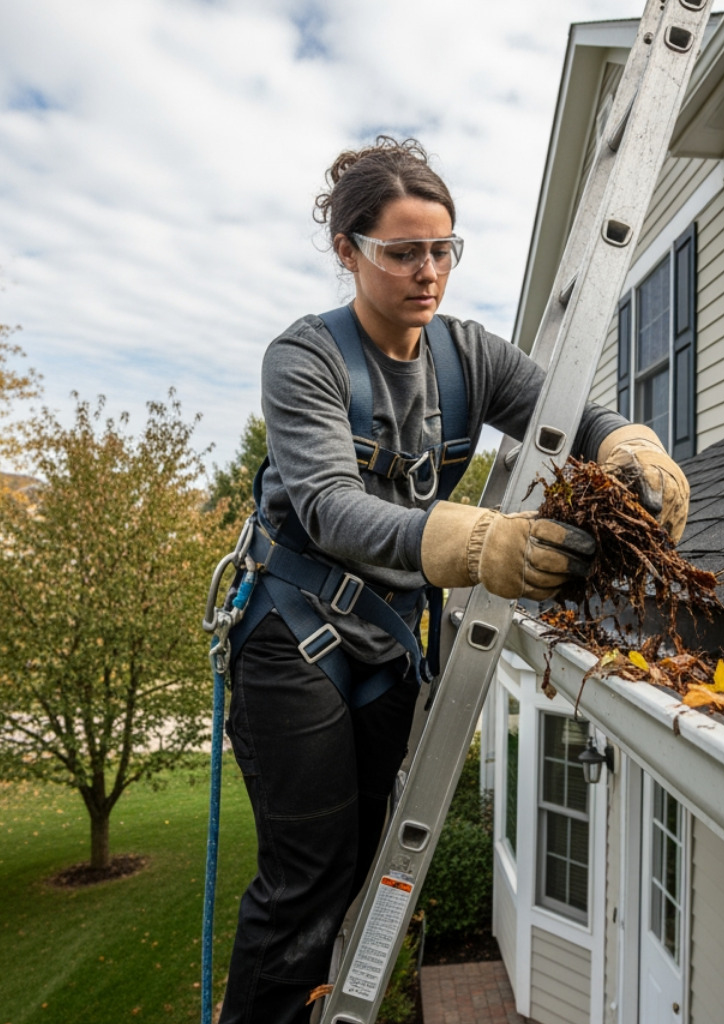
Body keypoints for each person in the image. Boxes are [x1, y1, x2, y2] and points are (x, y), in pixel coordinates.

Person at [219, 136, 689, 1024]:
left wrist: (631, 445)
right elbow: (327, 507)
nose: (427, 272)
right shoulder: (306, 361)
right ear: (348, 251)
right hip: (296, 634)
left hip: (391, 639)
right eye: (402, 252)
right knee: (303, 882)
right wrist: (482, 546)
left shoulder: (470, 358)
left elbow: (572, 415)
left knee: (357, 868)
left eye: (443, 249)